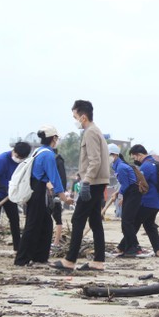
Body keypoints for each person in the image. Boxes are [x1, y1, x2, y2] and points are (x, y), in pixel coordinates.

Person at [50, 101, 110, 271]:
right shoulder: (95, 131)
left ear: (83, 116)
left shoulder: (90, 132)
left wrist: (86, 182)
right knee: (95, 221)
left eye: (75, 117)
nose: (75, 120)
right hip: (98, 181)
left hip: (92, 182)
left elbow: (95, 160)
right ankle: (98, 260)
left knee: (78, 219)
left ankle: (70, 260)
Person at [15, 126, 70, 266]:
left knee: (46, 223)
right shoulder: (48, 155)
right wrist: (64, 197)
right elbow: (55, 178)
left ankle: (40, 257)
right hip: (37, 191)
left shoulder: (38, 151)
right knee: (32, 225)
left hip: (35, 189)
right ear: (54, 138)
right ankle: (21, 260)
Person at [0, 142, 32, 255]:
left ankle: (17, 248)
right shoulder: (3, 159)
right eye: (18, 156)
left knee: (14, 219)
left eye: (22, 157)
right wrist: (5, 189)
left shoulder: (24, 162)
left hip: (12, 193)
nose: (19, 159)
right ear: (14, 151)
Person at [129, 144, 159, 257]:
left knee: (134, 224)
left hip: (147, 202)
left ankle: (123, 247)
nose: (135, 160)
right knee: (149, 225)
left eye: (134, 158)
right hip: (157, 202)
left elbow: (139, 183)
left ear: (139, 155)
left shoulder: (146, 166)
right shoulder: (155, 163)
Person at [110, 144, 143, 257]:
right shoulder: (117, 166)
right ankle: (128, 247)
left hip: (133, 193)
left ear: (115, 155)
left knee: (127, 222)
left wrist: (119, 194)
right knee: (126, 222)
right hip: (130, 193)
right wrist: (120, 194)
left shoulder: (121, 167)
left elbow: (127, 184)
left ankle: (134, 247)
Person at [51, 148, 67, 250]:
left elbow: (63, 178)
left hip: (55, 193)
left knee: (57, 218)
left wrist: (60, 193)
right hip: (47, 193)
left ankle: (56, 242)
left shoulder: (58, 161)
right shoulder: (51, 160)